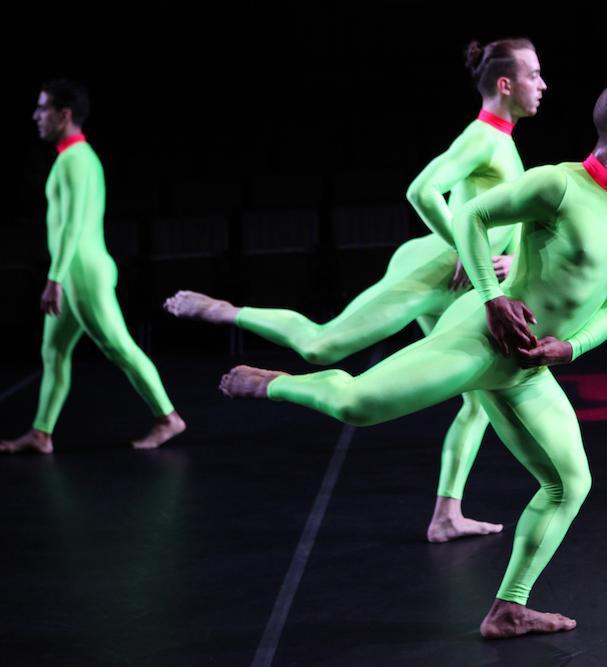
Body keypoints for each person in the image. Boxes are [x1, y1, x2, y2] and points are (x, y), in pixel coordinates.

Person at [219, 81, 607, 638]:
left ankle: (508, 608)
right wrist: (490, 296)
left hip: (530, 369)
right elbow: (471, 217)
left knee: (570, 483)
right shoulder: (557, 184)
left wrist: (570, 348)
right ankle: (277, 383)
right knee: (359, 404)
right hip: (482, 340)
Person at [164, 39, 546, 542]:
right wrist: (462, 246)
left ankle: (446, 515)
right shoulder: (483, 138)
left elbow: (502, 222)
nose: (541, 85)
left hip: (464, 282)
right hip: (437, 269)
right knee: (322, 345)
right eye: (534, 74)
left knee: (476, 401)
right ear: (505, 84)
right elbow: (421, 190)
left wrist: (509, 257)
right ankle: (227, 312)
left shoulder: (505, 141)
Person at [0, 80, 185, 454]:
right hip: (73, 270)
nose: (36, 116)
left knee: (119, 347)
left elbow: (72, 224)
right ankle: (41, 433)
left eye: (42, 108)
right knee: (53, 351)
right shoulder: (73, 158)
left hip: (81, 271)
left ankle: (168, 418)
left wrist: (54, 278)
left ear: (64, 114)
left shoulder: (75, 160)